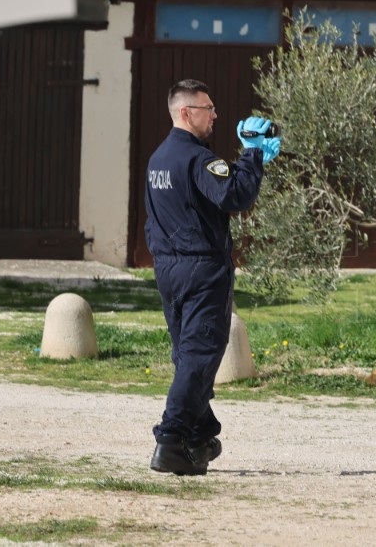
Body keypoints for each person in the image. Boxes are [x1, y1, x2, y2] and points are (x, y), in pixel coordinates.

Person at [145, 79, 281, 476]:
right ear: (186, 113)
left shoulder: (158, 160)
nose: (216, 115)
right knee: (200, 356)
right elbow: (235, 197)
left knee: (188, 355)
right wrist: (253, 155)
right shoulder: (197, 159)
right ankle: (170, 439)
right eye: (208, 108)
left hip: (169, 269)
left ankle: (199, 435)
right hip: (202, 269)